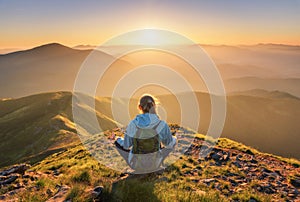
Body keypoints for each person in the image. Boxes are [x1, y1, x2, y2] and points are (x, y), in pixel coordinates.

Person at [114, 94, 176, 173]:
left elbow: (126, 146)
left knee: (118, 143)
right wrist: (174, 139)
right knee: (172, 141)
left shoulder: (133, 124)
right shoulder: (161, 124)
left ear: (140, 107)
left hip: (136, 164)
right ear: (154, 106)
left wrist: (118, 139)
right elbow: (169, 144)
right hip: (155, 164)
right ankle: (159, 161)